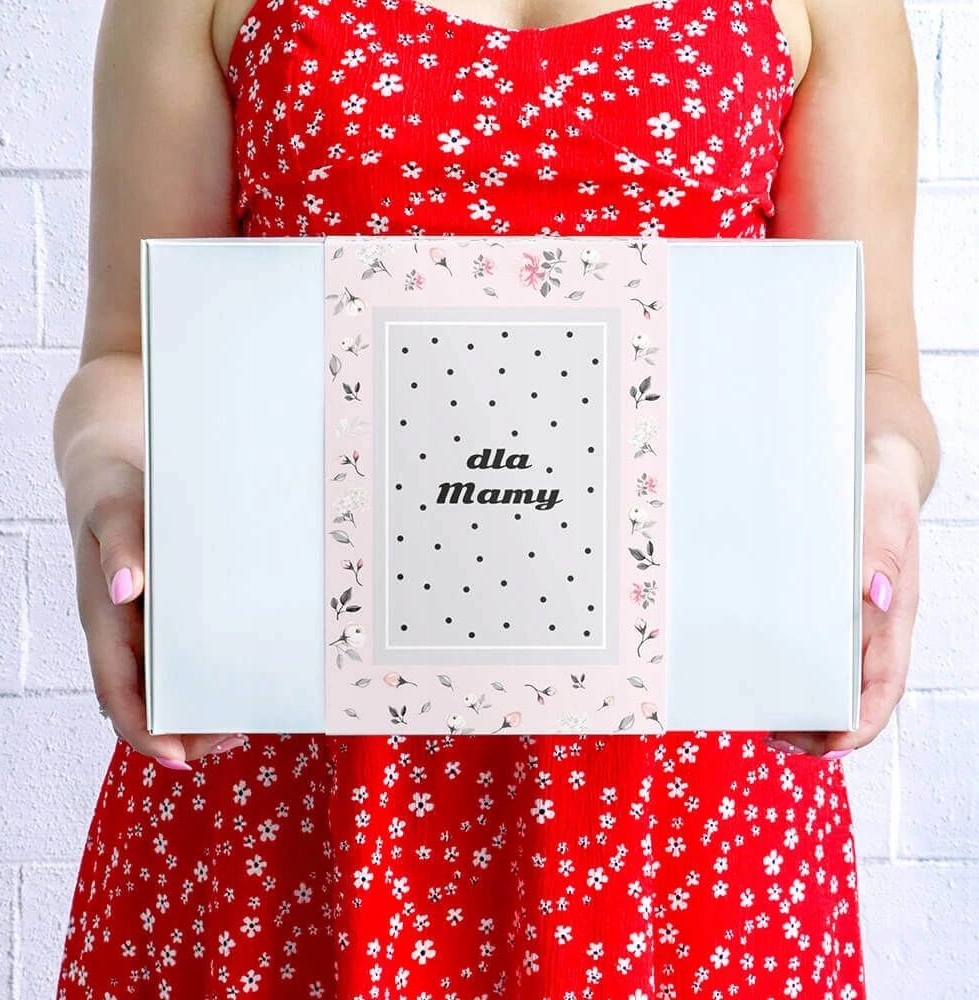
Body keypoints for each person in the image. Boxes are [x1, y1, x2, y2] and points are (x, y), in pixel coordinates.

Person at [52, 0, 939, 995]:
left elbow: (873, 372)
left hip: (685, 784)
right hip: (291, 771)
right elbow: (130, 354)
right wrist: (109, 482)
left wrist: (884, 479)